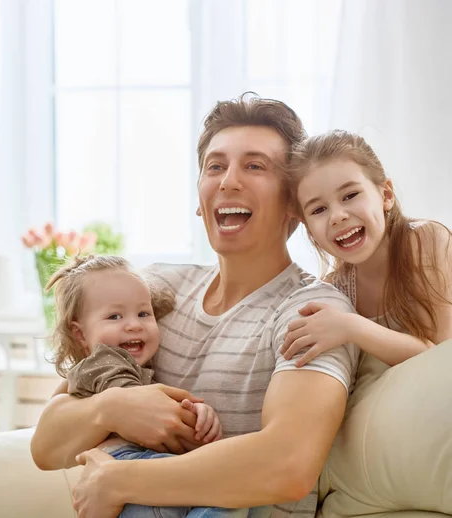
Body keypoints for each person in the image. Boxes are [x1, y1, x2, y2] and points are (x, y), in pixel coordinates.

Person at [30, 93, 360, 518]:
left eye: (254, 166)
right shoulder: (154, 294)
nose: (228, 181)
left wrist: (119, 480)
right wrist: (112, 408)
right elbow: (47, 445)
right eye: (215, 167)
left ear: (293, 205)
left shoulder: (313, 311)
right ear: (200, 202)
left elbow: (289, 466)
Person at [46, 253, 242, 517]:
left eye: (143, 313)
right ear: (80, 334)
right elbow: (137, 404)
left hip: (139, 470)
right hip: (126, 463)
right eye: (114, 317)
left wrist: (198, 413)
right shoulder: (103, 361)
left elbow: (153, 410)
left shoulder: (140, 371)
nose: (134, 325)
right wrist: (190, 415)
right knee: (231, 489)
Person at [281, 130, 452, 376]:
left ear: (386, 195)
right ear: (307, 227)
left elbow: (439, 356)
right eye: (319, 209)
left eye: (350, 195)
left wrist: (351, 327)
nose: (338, 216)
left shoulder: (425, 240)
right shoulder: (337, 289)